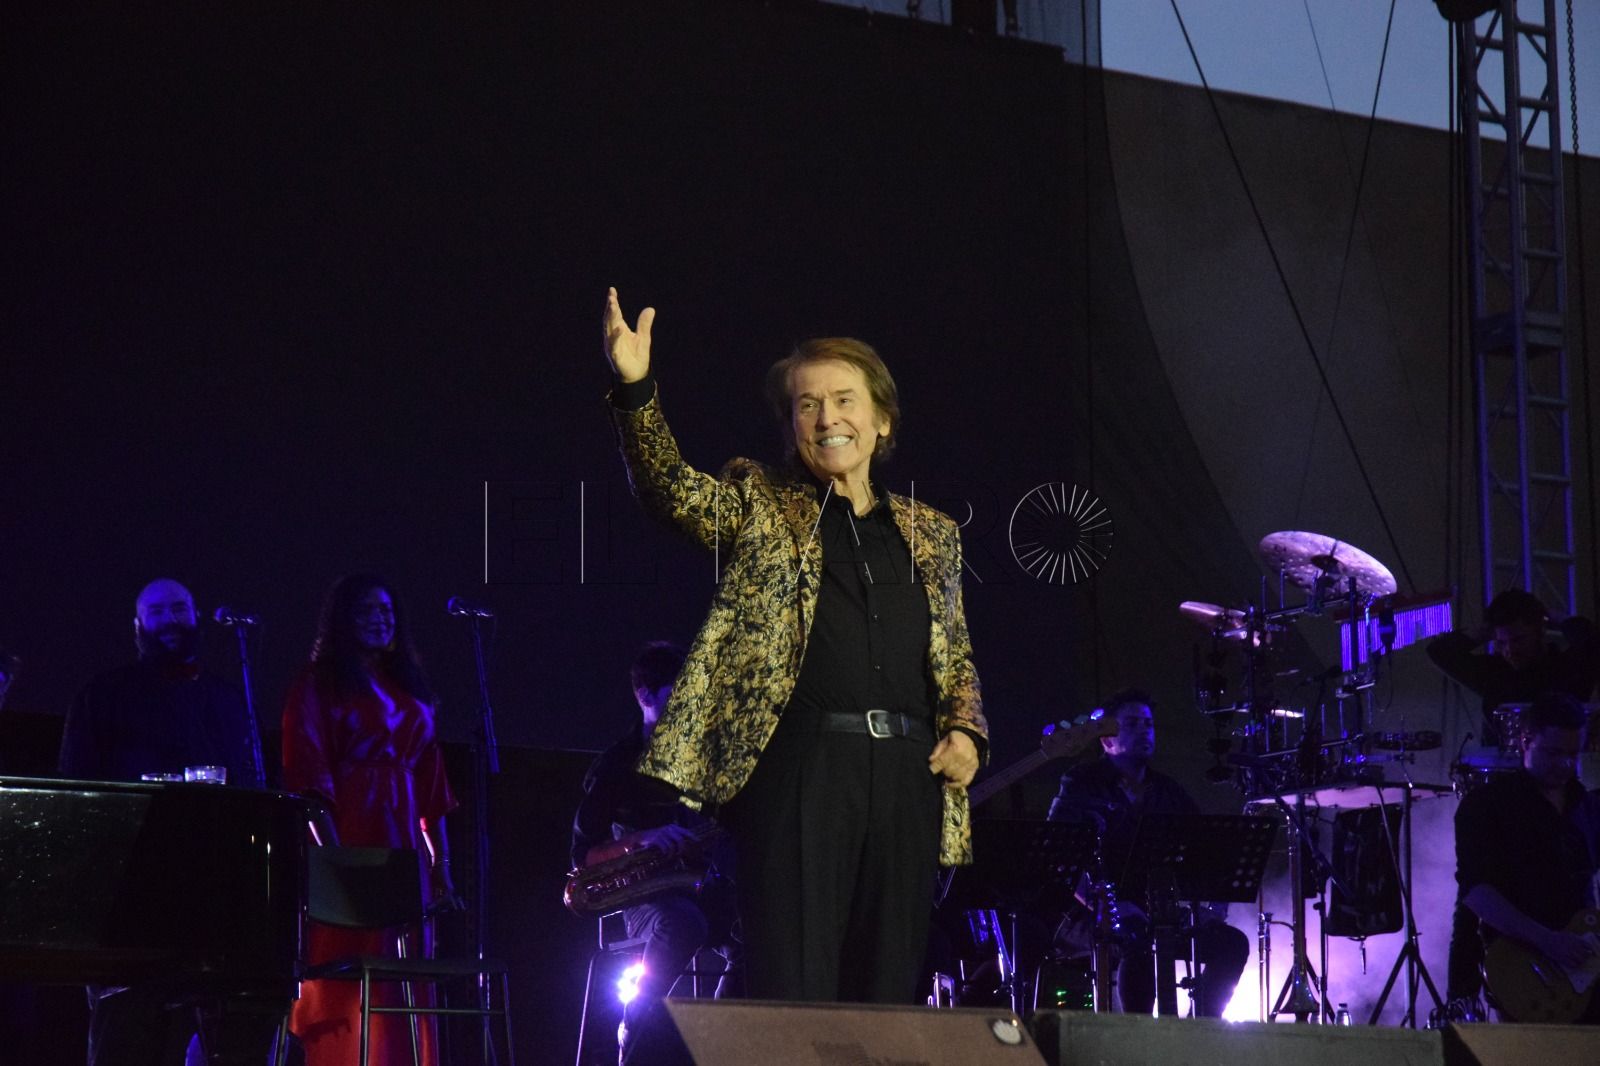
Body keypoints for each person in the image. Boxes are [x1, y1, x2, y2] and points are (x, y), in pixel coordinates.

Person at [601, 288, 987, 1005]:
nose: (827, 418)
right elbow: (669, 491)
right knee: (796, 994)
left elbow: (955, 653)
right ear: (792, 426)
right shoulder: (763, 506)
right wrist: (635, 389)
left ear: (881, 418)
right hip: (799, 773)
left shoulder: (934, 534)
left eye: (843, 400)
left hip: (907, 782)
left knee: (889, 998)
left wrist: (966, 730)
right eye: (808, 405)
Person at [58, 578, 268, 1066]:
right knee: (125, 1030)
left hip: (209, 894)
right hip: (128, 893)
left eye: (179, 609)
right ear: (137, 626)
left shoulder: (227, 699)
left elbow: (250, 793)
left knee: (203, 1033)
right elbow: (75, 794)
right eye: (157, 612)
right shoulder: (103, 695)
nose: (170, 620)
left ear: (196, 618)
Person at [281, 574, 458, 1066]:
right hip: (351, 835)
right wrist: (338, 863)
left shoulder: (409, 686)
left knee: (403, 968)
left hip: (404, 845)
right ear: (342, 620)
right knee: (353, 960)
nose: (379, 619)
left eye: (386, 610)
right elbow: (309, 775)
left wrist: (441, 863)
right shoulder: (318, 684)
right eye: (366, 610)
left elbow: (433, 786)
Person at [1425, 588, 1598, 1008]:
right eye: (1500, 642)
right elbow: (1440, 652)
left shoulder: (1566, 668)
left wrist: (1554, 617)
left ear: (1539, 631)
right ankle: (1461, 1005)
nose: (1508, 650)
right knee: (1475, 903)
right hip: (1503, 799)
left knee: (1568, 889)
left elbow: (1593, 642)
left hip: (1555, 798)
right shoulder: (1494, 672)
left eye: (1517, 639)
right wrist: (1485, 631)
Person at [571, 641, 737, 1061]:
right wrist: (640, 839)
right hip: (645, 896)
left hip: (699, 886)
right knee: (683, 923)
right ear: (645, 695)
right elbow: (583, 855)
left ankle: (717, 1045)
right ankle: (635, 1026)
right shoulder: (616, 765)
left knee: (764, 934)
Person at [1046, 690, 1248, 1018]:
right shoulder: (1081, 782)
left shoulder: (1167, 790)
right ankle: (1140, 1032)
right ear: (1106, 740)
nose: (1144, 731)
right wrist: (1110, 906)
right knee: (1137, 940)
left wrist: (1214, 905)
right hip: (1088, 914)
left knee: (1231, 944)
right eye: (1132, 724)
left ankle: (1201, 1028)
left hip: (1156, 912)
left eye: (1149, 724)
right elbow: (1058, 855)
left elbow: (1206, 845)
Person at [1454, 691, 1600, 1023]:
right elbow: (1477, 893)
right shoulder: (1487, 805)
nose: (1565, 764)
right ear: (1525, 741)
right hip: (1527, 970)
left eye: (1573, 754)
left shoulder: (1589, 808)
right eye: (1553, 752)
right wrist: (1548, 941)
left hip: (1586, 972)